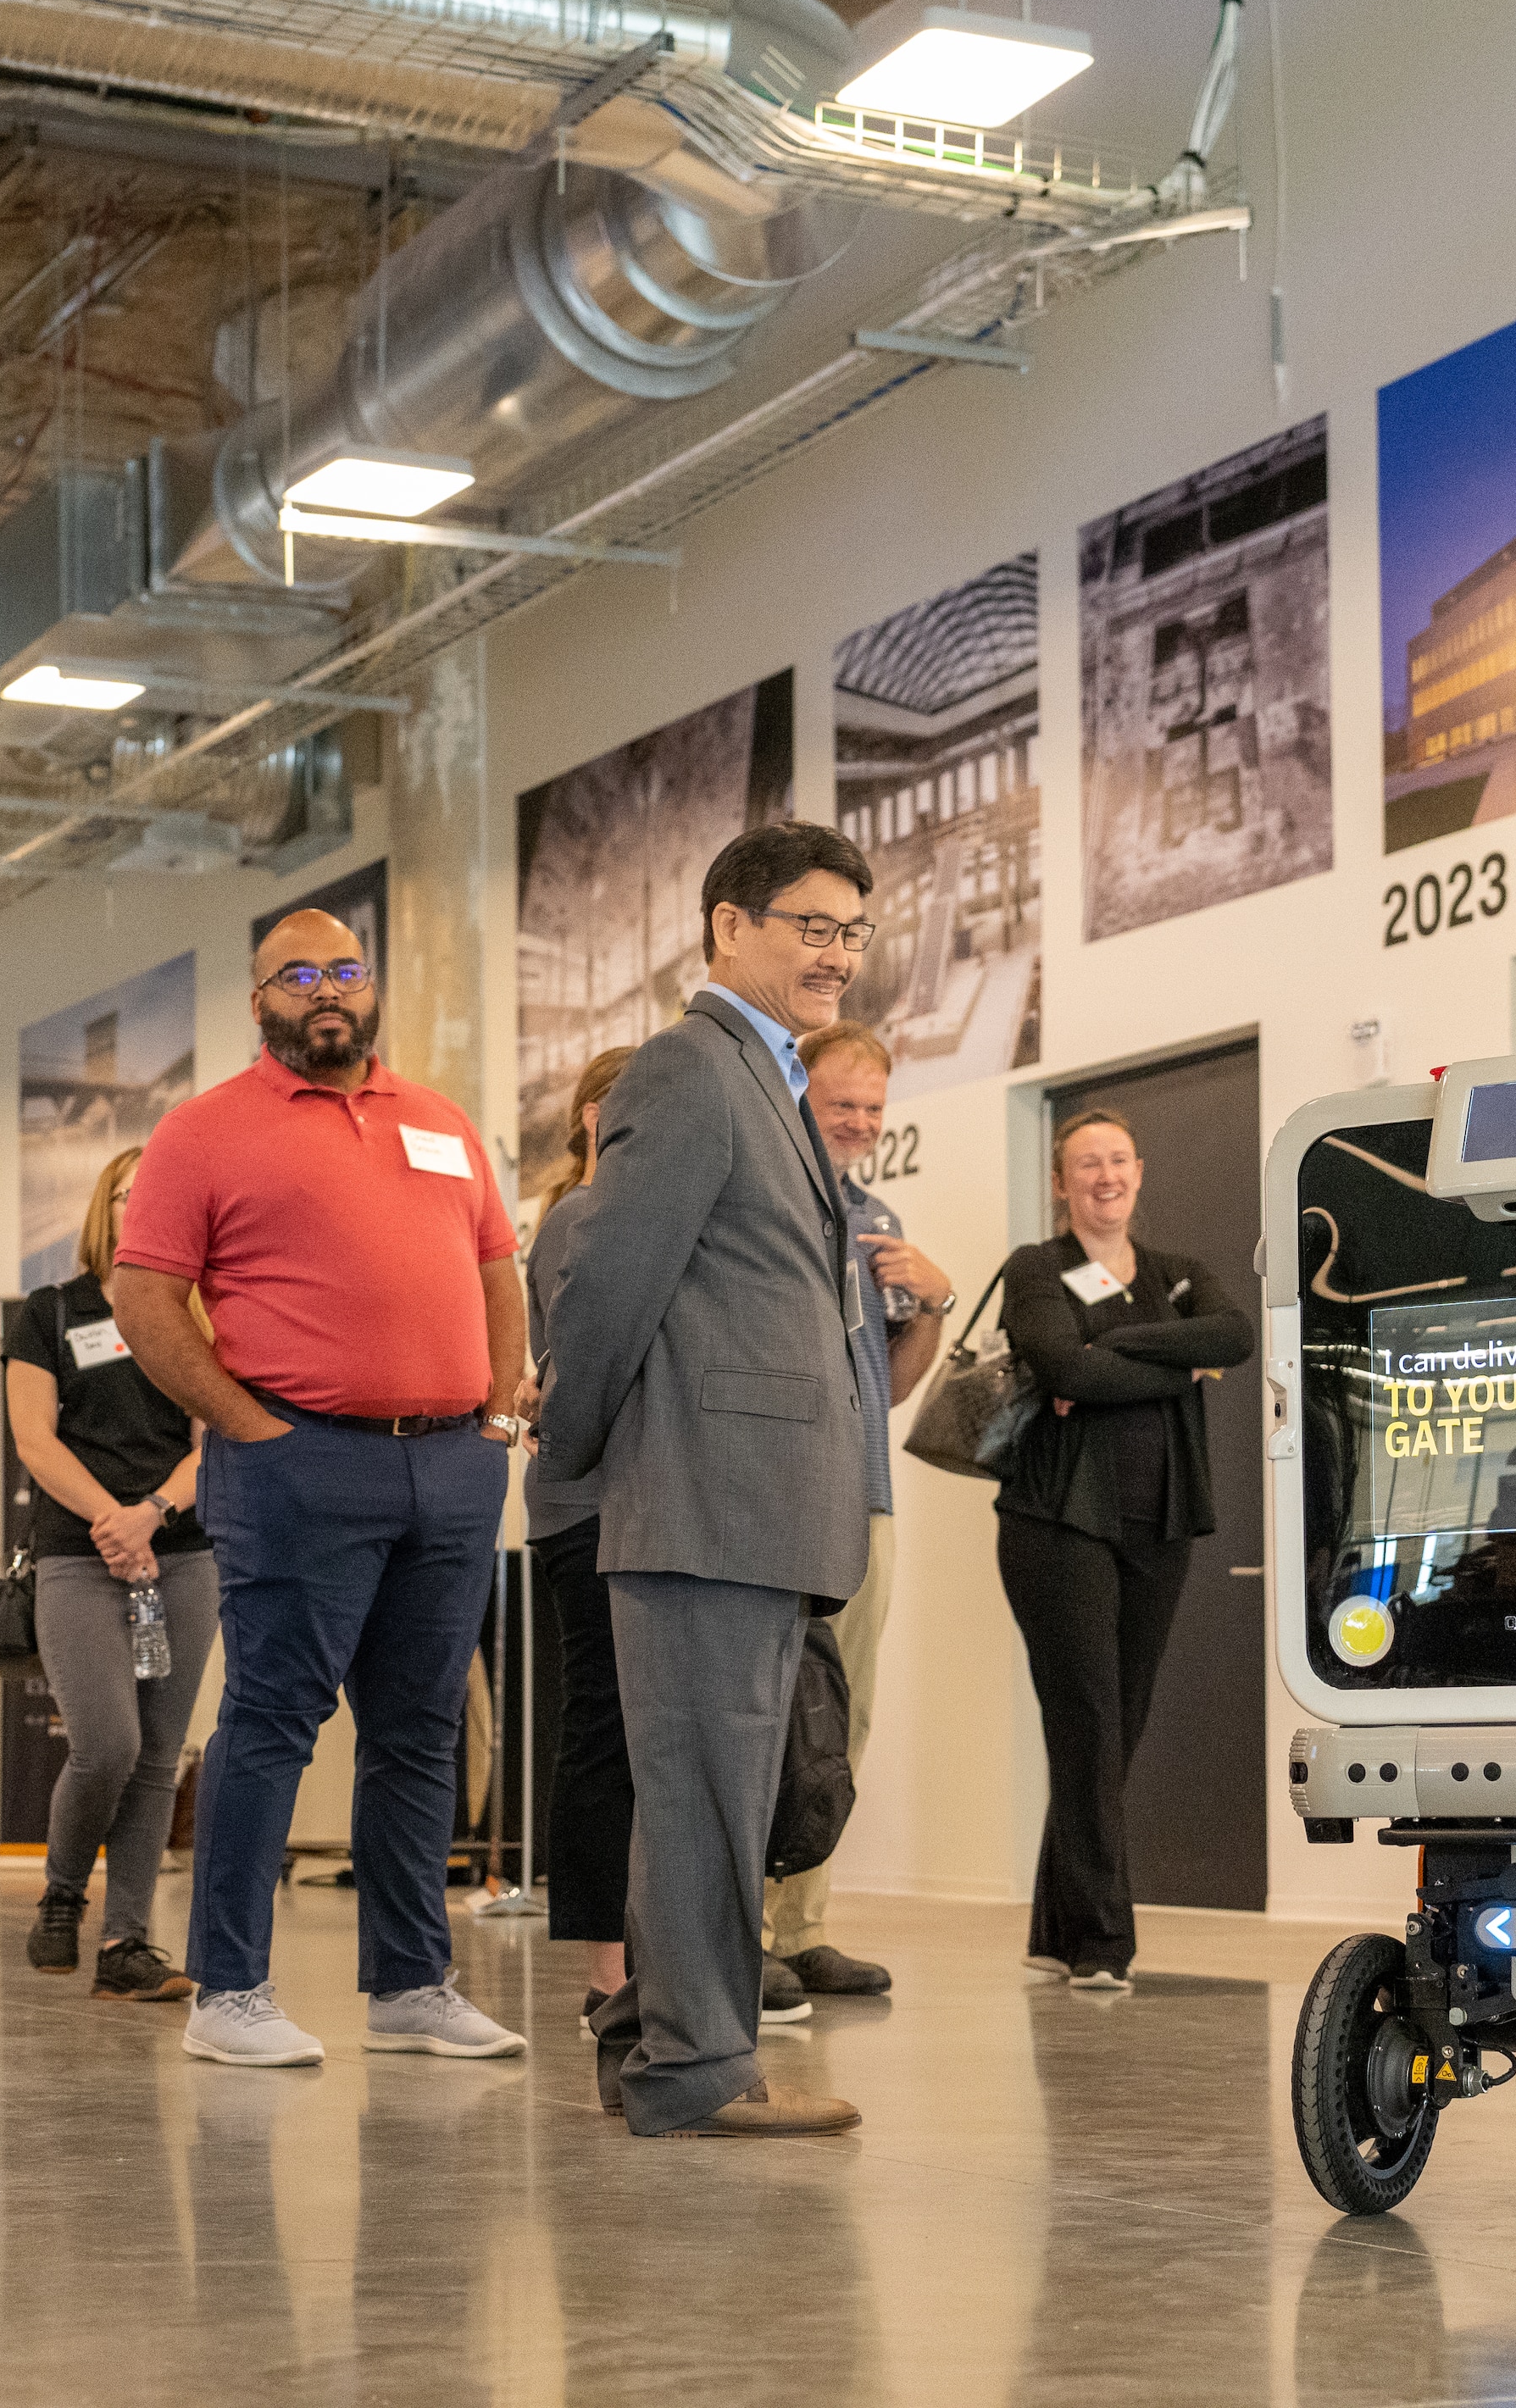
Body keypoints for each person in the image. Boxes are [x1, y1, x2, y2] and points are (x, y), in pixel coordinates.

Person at [105, 910, 530, 2069]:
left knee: (419, 1727)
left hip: (450, 1464)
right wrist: (249, 1425)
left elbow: (499, 1271)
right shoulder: (202, 1133)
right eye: (298, 975)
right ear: (259, 1003)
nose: (325, 989)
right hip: (299, 1461)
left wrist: (497, 1419)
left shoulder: (440, 1122)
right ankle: (229, 1989)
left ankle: (410, 1981)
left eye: (345, 969)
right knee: (273, 1719)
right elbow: (145, 1301)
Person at [536, 822, 886, 2139]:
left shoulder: (769, 1076)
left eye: (852, 931)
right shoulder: (691, 1068)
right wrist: (578, 1448)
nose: (837, 953)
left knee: (703, 1792)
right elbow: (606, 1282)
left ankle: (656, 2034)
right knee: (702, 1797)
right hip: (702, 1501)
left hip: (753, 1504)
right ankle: (697, 2067)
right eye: (811, 924)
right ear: (730, 925)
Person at [993, 1107, 1252, 1994]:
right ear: (1060, 1183)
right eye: (1083, 1165)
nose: (1103, 1177)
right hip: (1057, 1523)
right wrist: (1173, 1368)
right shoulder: (1036, 1268)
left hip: (1159, 1522)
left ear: (1138, 1172)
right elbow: (1062, 1368)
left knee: (1112, 1733)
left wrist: (1117, 1343)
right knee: (1088, 1726)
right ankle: (1102, 1944)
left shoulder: (1179, 1276)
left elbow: (1234, 1337)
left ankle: (1053, 1925)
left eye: (1116, 1161)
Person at [3, 1143, 218, 2004]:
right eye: (131, 1194)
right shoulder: (51, 1312)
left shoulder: (199, 1318)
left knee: (160, 1754)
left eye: (160, 1195)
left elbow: (215, 1439)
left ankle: (127, 1942)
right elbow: (32, 1437)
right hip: (77, 1557)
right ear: (106, 1207)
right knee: (109, 1744)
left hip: (181, 1553)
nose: (145, 1206)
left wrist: (151, 1514)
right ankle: (61, 1896)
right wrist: (110, 1520)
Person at [769, 1020, 957, 2000]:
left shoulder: (875, 1214)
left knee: (842, 1720)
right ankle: (730, 1931)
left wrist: (929, 1303)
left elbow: (886, 1389)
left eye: (873, 1109)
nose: (858, 1122)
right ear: (799, 1094)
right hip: (768, 1496)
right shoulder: (764, 1199)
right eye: (841, 1103)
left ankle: (799, 1930)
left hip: (863, 1498)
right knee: (760, 1716)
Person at [520, 1049, 648, 2019]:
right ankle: (607, 1971)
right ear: (596, 1116)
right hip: (587, 1512)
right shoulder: (579, 1218)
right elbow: (590, 1370)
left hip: (635, 1508)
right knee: (604, 1734)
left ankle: (645, 1955)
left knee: (639, 1740)